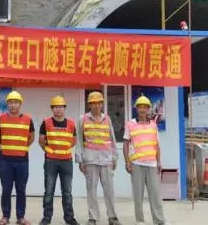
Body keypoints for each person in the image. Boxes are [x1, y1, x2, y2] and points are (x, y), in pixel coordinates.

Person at [75, 91, 121, 225]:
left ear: (102, 104)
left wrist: (114, 157)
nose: (96, 105)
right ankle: (93, 217)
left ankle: (112, 217)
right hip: (90, 160)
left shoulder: (107, 119)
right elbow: (79, 141)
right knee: (91, 190)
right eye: (93, 103)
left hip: (106, 159)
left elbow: (112, 138)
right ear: (89, 105)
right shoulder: (82, 119)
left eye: (99, 103)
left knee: (109, 190)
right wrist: (80, 160)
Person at [123, 95, 168, 225]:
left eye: (145, 107)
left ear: (148, 109)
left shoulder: (153, 125)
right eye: (140, 107)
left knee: (155, 194)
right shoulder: (130, 124)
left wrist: (159, 162)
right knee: (138, 194)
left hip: (152, 163)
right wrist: (127, 161)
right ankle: (140, 220)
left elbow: (157, 145)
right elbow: (125, 144)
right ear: (136, 109)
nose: (142, 109)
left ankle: (159, 220)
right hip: (136, 164)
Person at [0, 90, 34, 225]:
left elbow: (32, 137)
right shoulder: (0, 118)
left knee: (21, 190)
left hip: (22, 160)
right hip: (6, 160)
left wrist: (21, 147)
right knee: (6, 189)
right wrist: (3, 147)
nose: (13, 105)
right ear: (7, 104)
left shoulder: (28, 119)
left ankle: (20, 217)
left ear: (20, 104)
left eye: (16, 102)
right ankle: (5, 216)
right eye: (10, 102)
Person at [38, 95, 79, 225]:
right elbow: (41, 140)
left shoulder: (71, 124)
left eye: (61, 106)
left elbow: (74, 141)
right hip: (51, 161)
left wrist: (62, 149)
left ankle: (69, 218)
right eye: (55, 107)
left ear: (64, 108)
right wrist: (49, 151)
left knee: (67, 192)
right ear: (52, 109)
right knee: (49, 191)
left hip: (66, 161)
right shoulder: (46, 123)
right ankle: (47, 218)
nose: (58, 109)